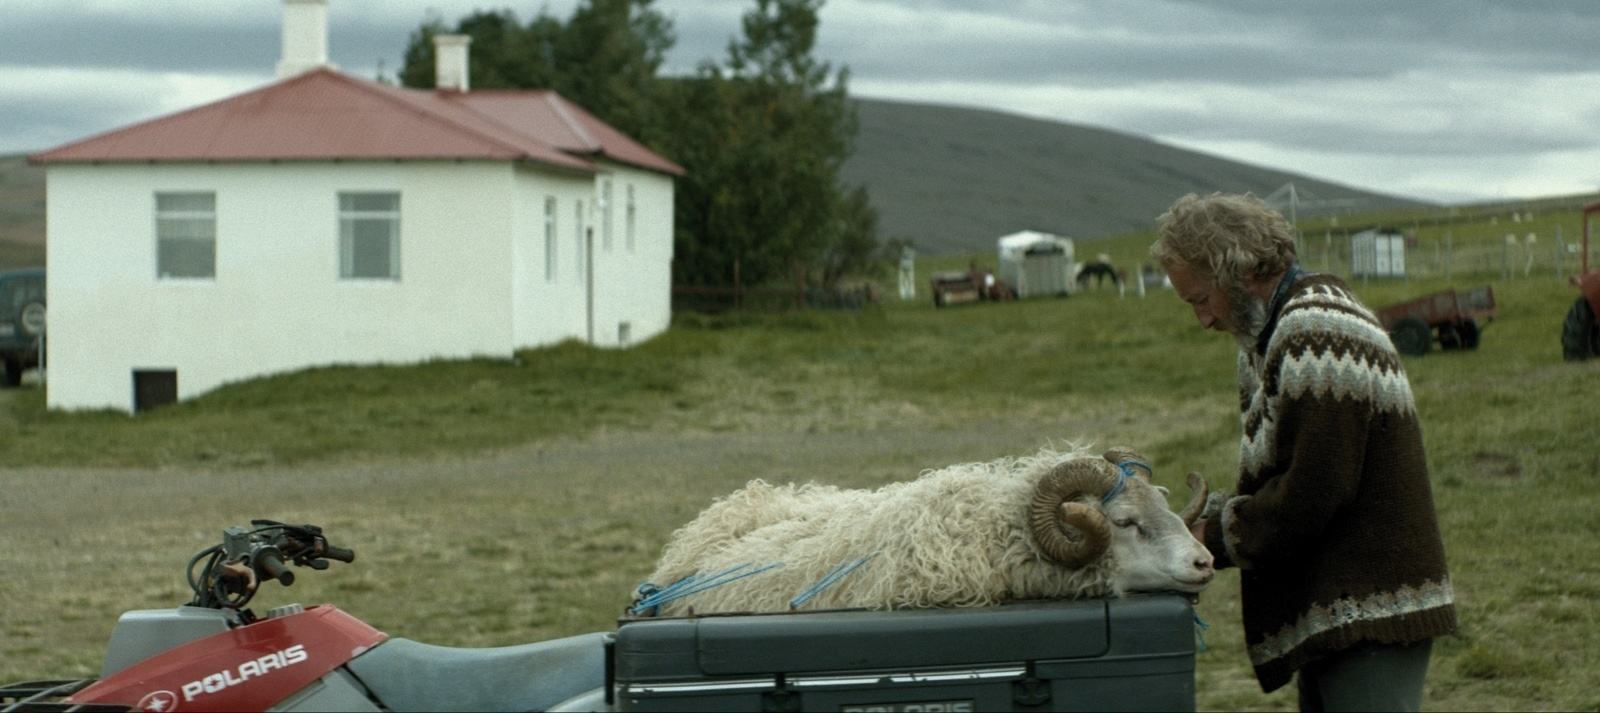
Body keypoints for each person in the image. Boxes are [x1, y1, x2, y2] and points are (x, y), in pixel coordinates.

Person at [1149, 193, 1457, 712]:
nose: (1203, 319)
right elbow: (1292, 476)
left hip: (1370, 614)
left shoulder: (1314, 330)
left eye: (1201, 299)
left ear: (1238, 271)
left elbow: (1310, 493)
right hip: (1344, 610)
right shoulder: (1274, 335)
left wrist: (1211, 535)